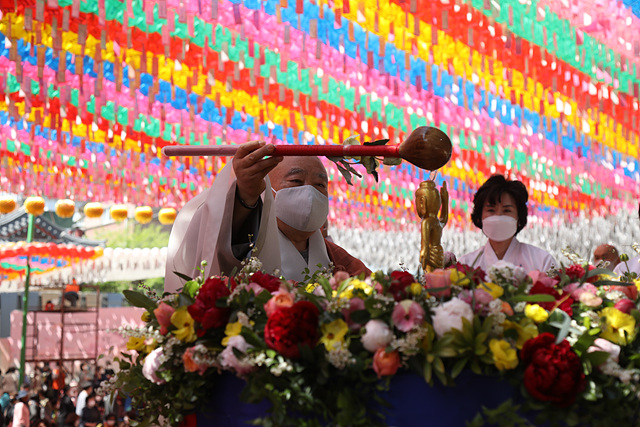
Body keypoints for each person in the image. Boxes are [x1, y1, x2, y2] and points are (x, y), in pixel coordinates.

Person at [165, 141, 370, 291]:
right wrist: (246, 194)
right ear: (266, 190)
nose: (309, 193)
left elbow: (369, 288)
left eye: (319, 185)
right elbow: (222, 251)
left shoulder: (337, 258)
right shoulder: (248, 240)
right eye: (296, 181)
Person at [459, 175, 557, 273]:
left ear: (519, 218)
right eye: (491, 210)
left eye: (507, 210)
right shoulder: (466, 265)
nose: (498, 216)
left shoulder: (542, 262)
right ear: (480, 216)